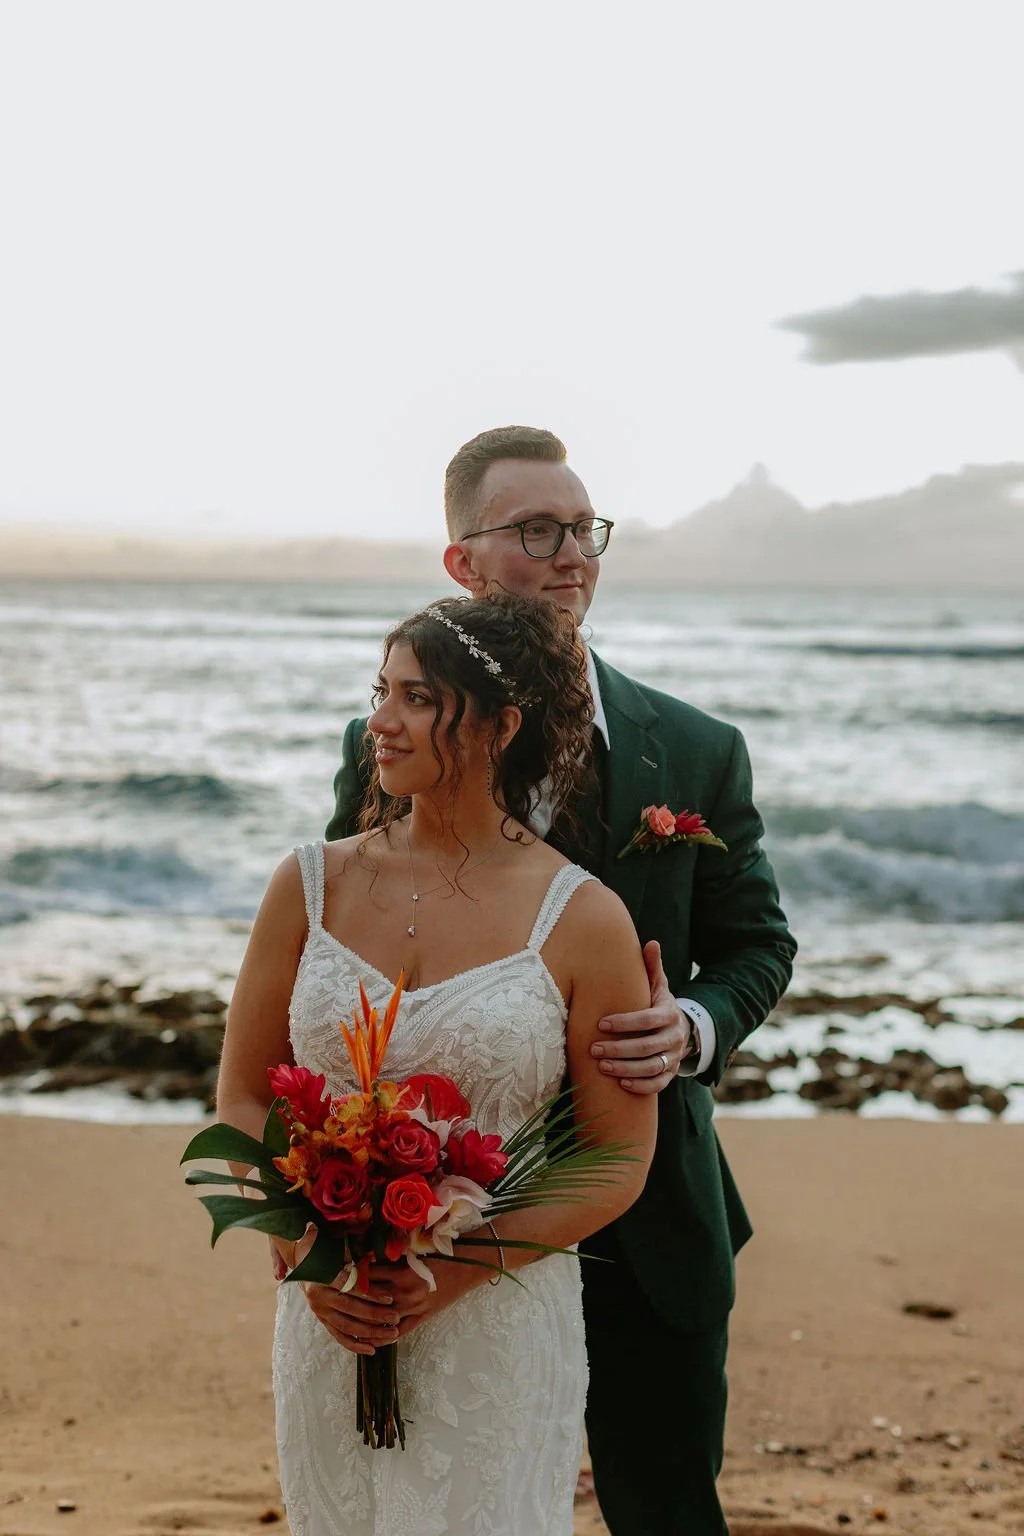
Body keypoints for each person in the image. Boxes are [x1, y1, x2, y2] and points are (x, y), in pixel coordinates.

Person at [327, 427, 798, 1536]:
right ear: (463, 563)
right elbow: (346, 942)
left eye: (584, 529)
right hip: (438, 1204)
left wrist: (689, 1024)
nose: (573, 554)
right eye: (537, 530)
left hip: (652, 1220)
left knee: (666, 1506)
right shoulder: (383, 739)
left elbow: (757, 946)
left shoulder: (692, 749)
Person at [218, 590, 658, 1535]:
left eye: (417, 698)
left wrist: (448, 1276)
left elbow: (617, 1157)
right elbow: (246, 1094)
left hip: (494, 1322)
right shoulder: (308, 884)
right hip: (329, 1318)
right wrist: (308, 1255)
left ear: (501, 724)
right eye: (382, 691)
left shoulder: (583, 918)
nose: (380, 720)